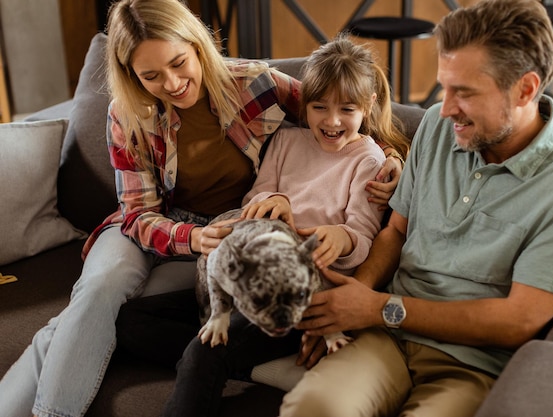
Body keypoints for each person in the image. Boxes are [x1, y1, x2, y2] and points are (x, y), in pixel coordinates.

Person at [0, 1, 403, 417]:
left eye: (178, 63)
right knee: (99, 290)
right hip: (150, 231)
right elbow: (138, 213)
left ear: (197, 46)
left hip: (221, 236)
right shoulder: (127, 113)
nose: (172, 83)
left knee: (99, 318)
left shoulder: (253, 83)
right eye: (151, 76)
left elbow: (339, 113)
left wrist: (392, 158)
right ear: (131, 75)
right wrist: (190, 237)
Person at [278, 1, 553, 416]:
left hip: (472, 364)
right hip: (386, 339)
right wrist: (352, 302)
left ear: (526, 89)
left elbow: (518, 321)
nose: (445, 107)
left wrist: (378, 308)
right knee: (312, 408)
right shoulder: (441, 127)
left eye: (465, 92)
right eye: (445, 86)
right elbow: (396, 232)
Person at [113, 34, 410, 416]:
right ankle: (255, 364)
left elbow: (364, 236)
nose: (332, 121)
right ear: (304, 103)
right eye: (320, 107)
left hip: (300, 291)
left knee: (203, 354)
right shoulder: (286, 140)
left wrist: (342, 237)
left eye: (347, 110)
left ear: (367, 106)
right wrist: (271, 200)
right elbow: (255, 196)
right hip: (249, 276)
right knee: (129, 321)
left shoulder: (368, 162)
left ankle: (218, 356)